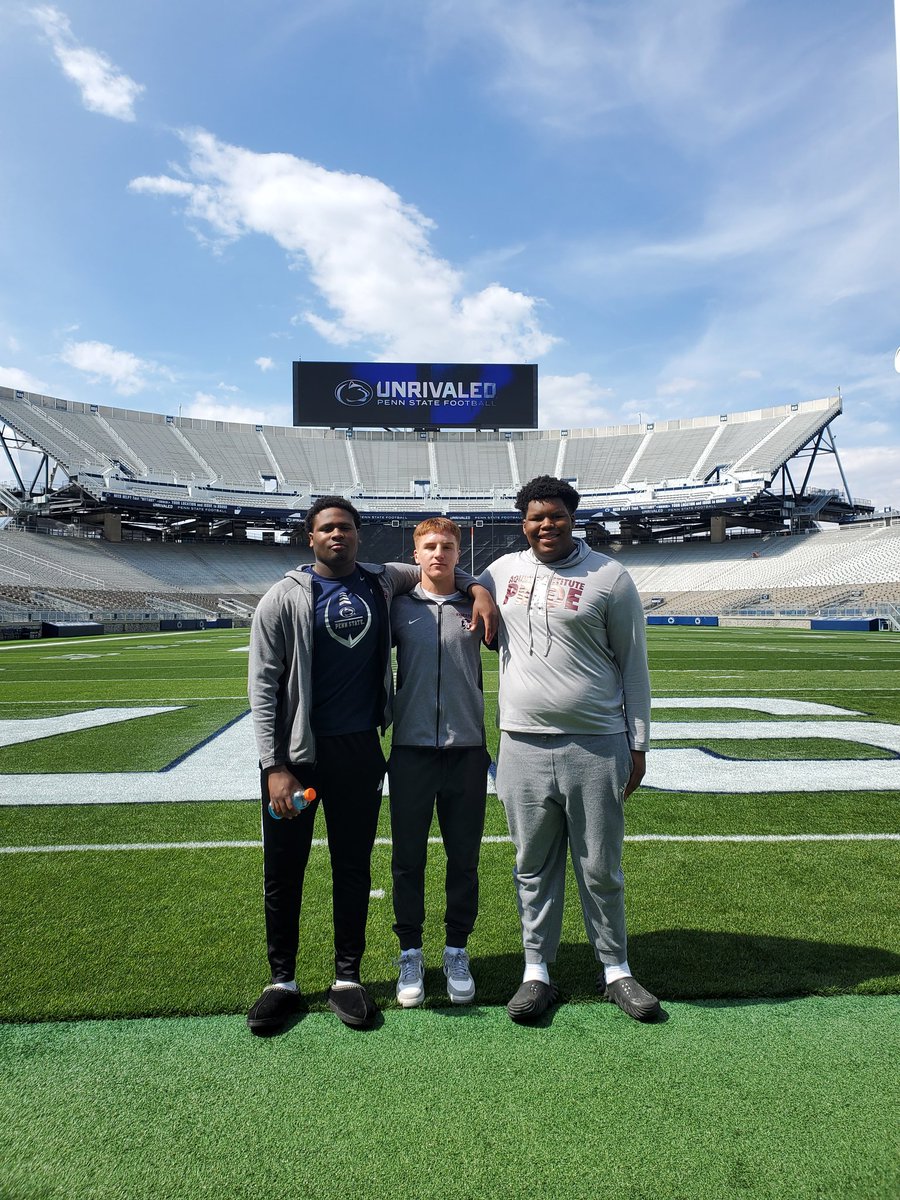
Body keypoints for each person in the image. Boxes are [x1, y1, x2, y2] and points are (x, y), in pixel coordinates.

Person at [246, 497, 496, 1034]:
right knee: (284, 868)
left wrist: (478, 589)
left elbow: (445, 566)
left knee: (353, 867)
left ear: (359, 535)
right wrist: (274, 766)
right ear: (310, 537)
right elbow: (263, 684)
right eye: (327, 528)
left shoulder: (382, 579)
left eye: (346, 528)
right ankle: (281, 980)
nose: (338, 535)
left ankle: (348, 977)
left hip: (360, 751)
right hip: (297, 757)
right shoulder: (282, 596)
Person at [479, 475, 660, 1024]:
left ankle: (616, 970)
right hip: (521, 745)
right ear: (523, 523)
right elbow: (453, 579)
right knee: (531, 866)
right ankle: (537, 972)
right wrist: (480, 592)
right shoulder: (502, 571)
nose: (545, 525)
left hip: (597, 742)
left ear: (572, 517)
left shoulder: (609, 576)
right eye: (535, 518)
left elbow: (634, 666)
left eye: (555, 516)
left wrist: (639, 743)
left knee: (600, 865)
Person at [388, 518, 491, 1008]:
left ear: (457, 551)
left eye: (446, 546)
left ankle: (456, 950)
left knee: (463, 860)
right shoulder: (396, 607)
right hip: (409, 751)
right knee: (407, 860)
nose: (438, 554)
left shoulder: (478, 603)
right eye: (429, 546)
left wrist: (478, 589)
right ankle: (410, 952)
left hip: (467, 750)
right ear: (415, 554)